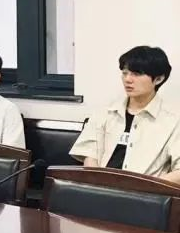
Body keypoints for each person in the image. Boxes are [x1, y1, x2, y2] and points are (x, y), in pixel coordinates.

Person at [71, 46, 180, 181]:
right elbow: (90, 156)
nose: (128, 79)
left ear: (158, 79)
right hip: (100, 188)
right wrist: (97, 183)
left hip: (146, 192)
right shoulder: (105, 112)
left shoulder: (174, 120)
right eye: (125, 73)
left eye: (136, 74)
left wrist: (147, 188)